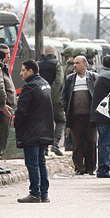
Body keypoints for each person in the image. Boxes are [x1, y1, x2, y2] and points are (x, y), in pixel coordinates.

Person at [15, 59, 55, 203]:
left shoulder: (29, 87)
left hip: (31, 132)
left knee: (32, 163)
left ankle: (34, 193)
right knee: (41, 163)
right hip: (45, 130)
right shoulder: (45, 84)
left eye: (23, 70)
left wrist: (17, 124)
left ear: (30, 71)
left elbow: (21, 112)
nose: (21, 73)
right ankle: (44, 193)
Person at [61, 55, 97, 175]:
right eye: (74, 63)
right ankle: (79, 168)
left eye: (77, 63)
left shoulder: (93, 77)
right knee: (77, 143)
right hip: (75, 117)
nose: (74, 65)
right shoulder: (70, 79)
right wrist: (66, 108)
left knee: (91, 142)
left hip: (90, 117)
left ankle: (90, 168)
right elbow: (64, 96)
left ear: (84, 64)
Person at [92, 55, 110, 178]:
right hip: (105, 115)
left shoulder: (101, 74)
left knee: (103, 141)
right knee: (105, 143)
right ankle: (103, 169)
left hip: (99, 113)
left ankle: (103, 168)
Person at [38, 45, 66, 156]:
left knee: (44, 121)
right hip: (55, 98)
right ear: (54, 52)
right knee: (60, 120)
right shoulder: (57, 64)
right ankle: (55, 144)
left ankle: (44, 148)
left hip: (41, 97)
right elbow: (59, 81)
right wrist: (52, 93)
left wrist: (44, 92)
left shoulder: (38, 64)